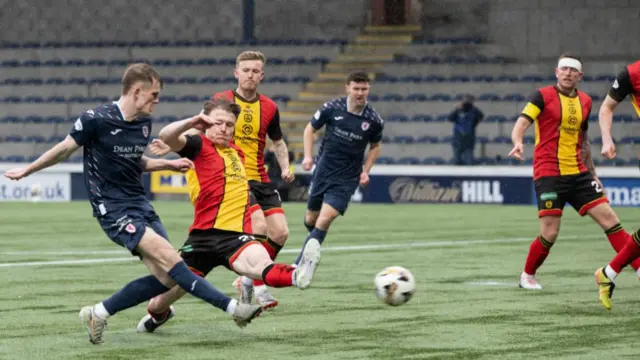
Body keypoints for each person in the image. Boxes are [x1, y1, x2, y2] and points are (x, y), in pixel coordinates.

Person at [2, 64, 262, 345]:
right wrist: (28, 171)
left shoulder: (142, 123)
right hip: (112, 209)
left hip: (140, 204)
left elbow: (134, 161)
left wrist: (167, 164)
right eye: (154, 94)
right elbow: (65, 148)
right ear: (137, 91)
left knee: (168, 277)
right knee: (175, 262)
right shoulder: (96, 119)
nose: (157, 100)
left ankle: (99, 312)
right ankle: (234, 309)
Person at [136, 99, 318, 333]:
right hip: (201, 238)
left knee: (261, 264)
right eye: (218, 123)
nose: (224, 128)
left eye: (229, 125)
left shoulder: (238, 153)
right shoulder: (197, 145)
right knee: (158, 302)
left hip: (233, 237)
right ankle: (158, 316)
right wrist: (192, 122)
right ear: (206, 124)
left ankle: (297, 275)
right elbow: (167, 135)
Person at [151, 50, 293, 309]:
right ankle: (257, 281)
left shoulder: (270, 107)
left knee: (281, 233)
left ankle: (248, 280)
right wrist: (176, 147)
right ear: (236, 72)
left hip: (259, 176)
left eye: (255, 71)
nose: (250, 75)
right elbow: (199, 128)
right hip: (230, 179)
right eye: (246, 70)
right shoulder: (220, 100)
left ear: (262, 75)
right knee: (258, 226)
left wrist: (285, 166)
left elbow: (278, 141)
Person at [508, 53, 635, 290]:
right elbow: (522, 123)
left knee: (611, 220)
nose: (567, 73)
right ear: (556, 72)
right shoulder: (542, 95)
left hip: (579, 173)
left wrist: (593, 173)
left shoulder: (585, 101)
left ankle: (639, 268)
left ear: (580, 76)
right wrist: (518, 142)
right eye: (563, 69)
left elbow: (583, 141)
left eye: (572, 70)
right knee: (550, 233)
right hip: (549, 174)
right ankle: (528, 275)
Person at [292, 71, 383, 286]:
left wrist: (365, 170)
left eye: (364, 89)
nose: (360, 93)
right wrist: (307, 156)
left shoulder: (374, 120)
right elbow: (309, 129)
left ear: (368, 90)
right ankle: (313, 245)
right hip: (323, 171)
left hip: (347, 179)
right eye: (356, 88)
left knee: (325, 219)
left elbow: (375, 146)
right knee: (311, 221)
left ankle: (300, 266)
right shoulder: (331, 108)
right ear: (348, 88)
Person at [594, 60, 640, 310]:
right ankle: (608, 273)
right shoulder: (632, 74)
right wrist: (607, 139)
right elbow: (606, 109)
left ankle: (608, 273)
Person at [448, 95, 483, 165]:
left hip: (468, 141)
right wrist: (457, 108)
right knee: (457, 161)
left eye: (469, 101)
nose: (466, 103)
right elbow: (450, 118)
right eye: (465, 101)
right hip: (457, 140)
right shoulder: (458, 111)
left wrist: (473, 107)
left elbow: (481, 116)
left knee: (469, 162)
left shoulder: (474, 112)